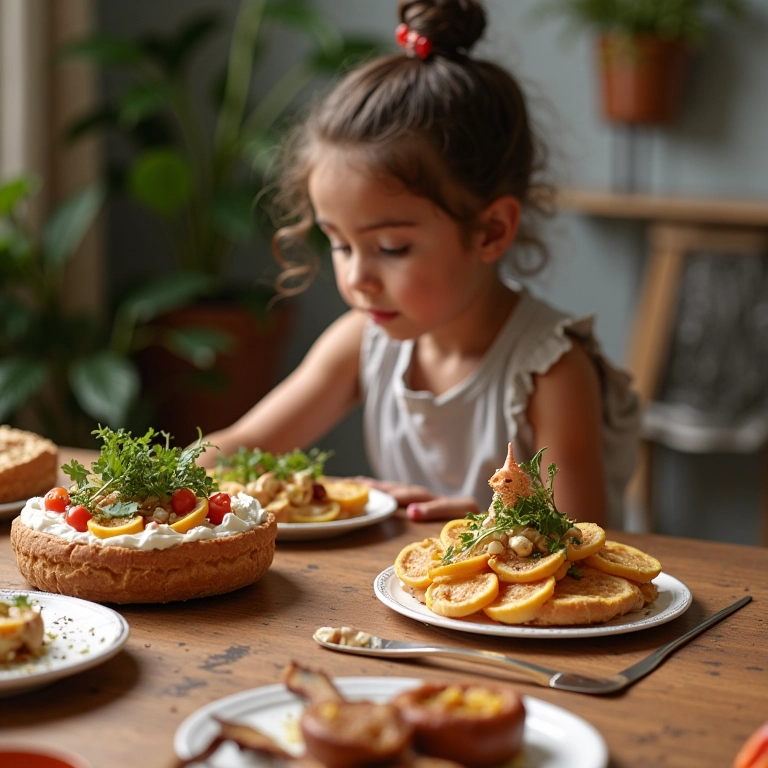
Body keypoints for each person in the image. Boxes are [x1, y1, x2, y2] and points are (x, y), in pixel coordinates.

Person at [201, 0, 640, 528]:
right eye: (338, 244)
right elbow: (241, 446)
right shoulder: (362, 342)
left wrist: (480, 523)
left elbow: (582, 544)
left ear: (491, 230)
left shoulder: (551, 373)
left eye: (391, 249)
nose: (357, 278)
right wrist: (145, 484)